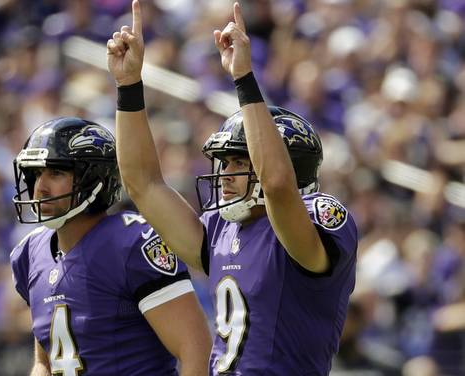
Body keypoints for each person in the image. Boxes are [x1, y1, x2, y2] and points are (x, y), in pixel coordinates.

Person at [107, 1, 358, 374]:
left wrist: (244, 77)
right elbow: (143, 184)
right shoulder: (223, 229)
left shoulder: (318, 218)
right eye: (224, 161)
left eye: (240, 161)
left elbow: (275, 185)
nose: (225, 173)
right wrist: (129, 86)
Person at [9, 117, 211, 376]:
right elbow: (45, 361)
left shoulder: (131, 243)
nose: (41, 187)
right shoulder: (30, 252)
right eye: (37, 173)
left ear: (94, 179)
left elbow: (196, 351)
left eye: (56, 172)